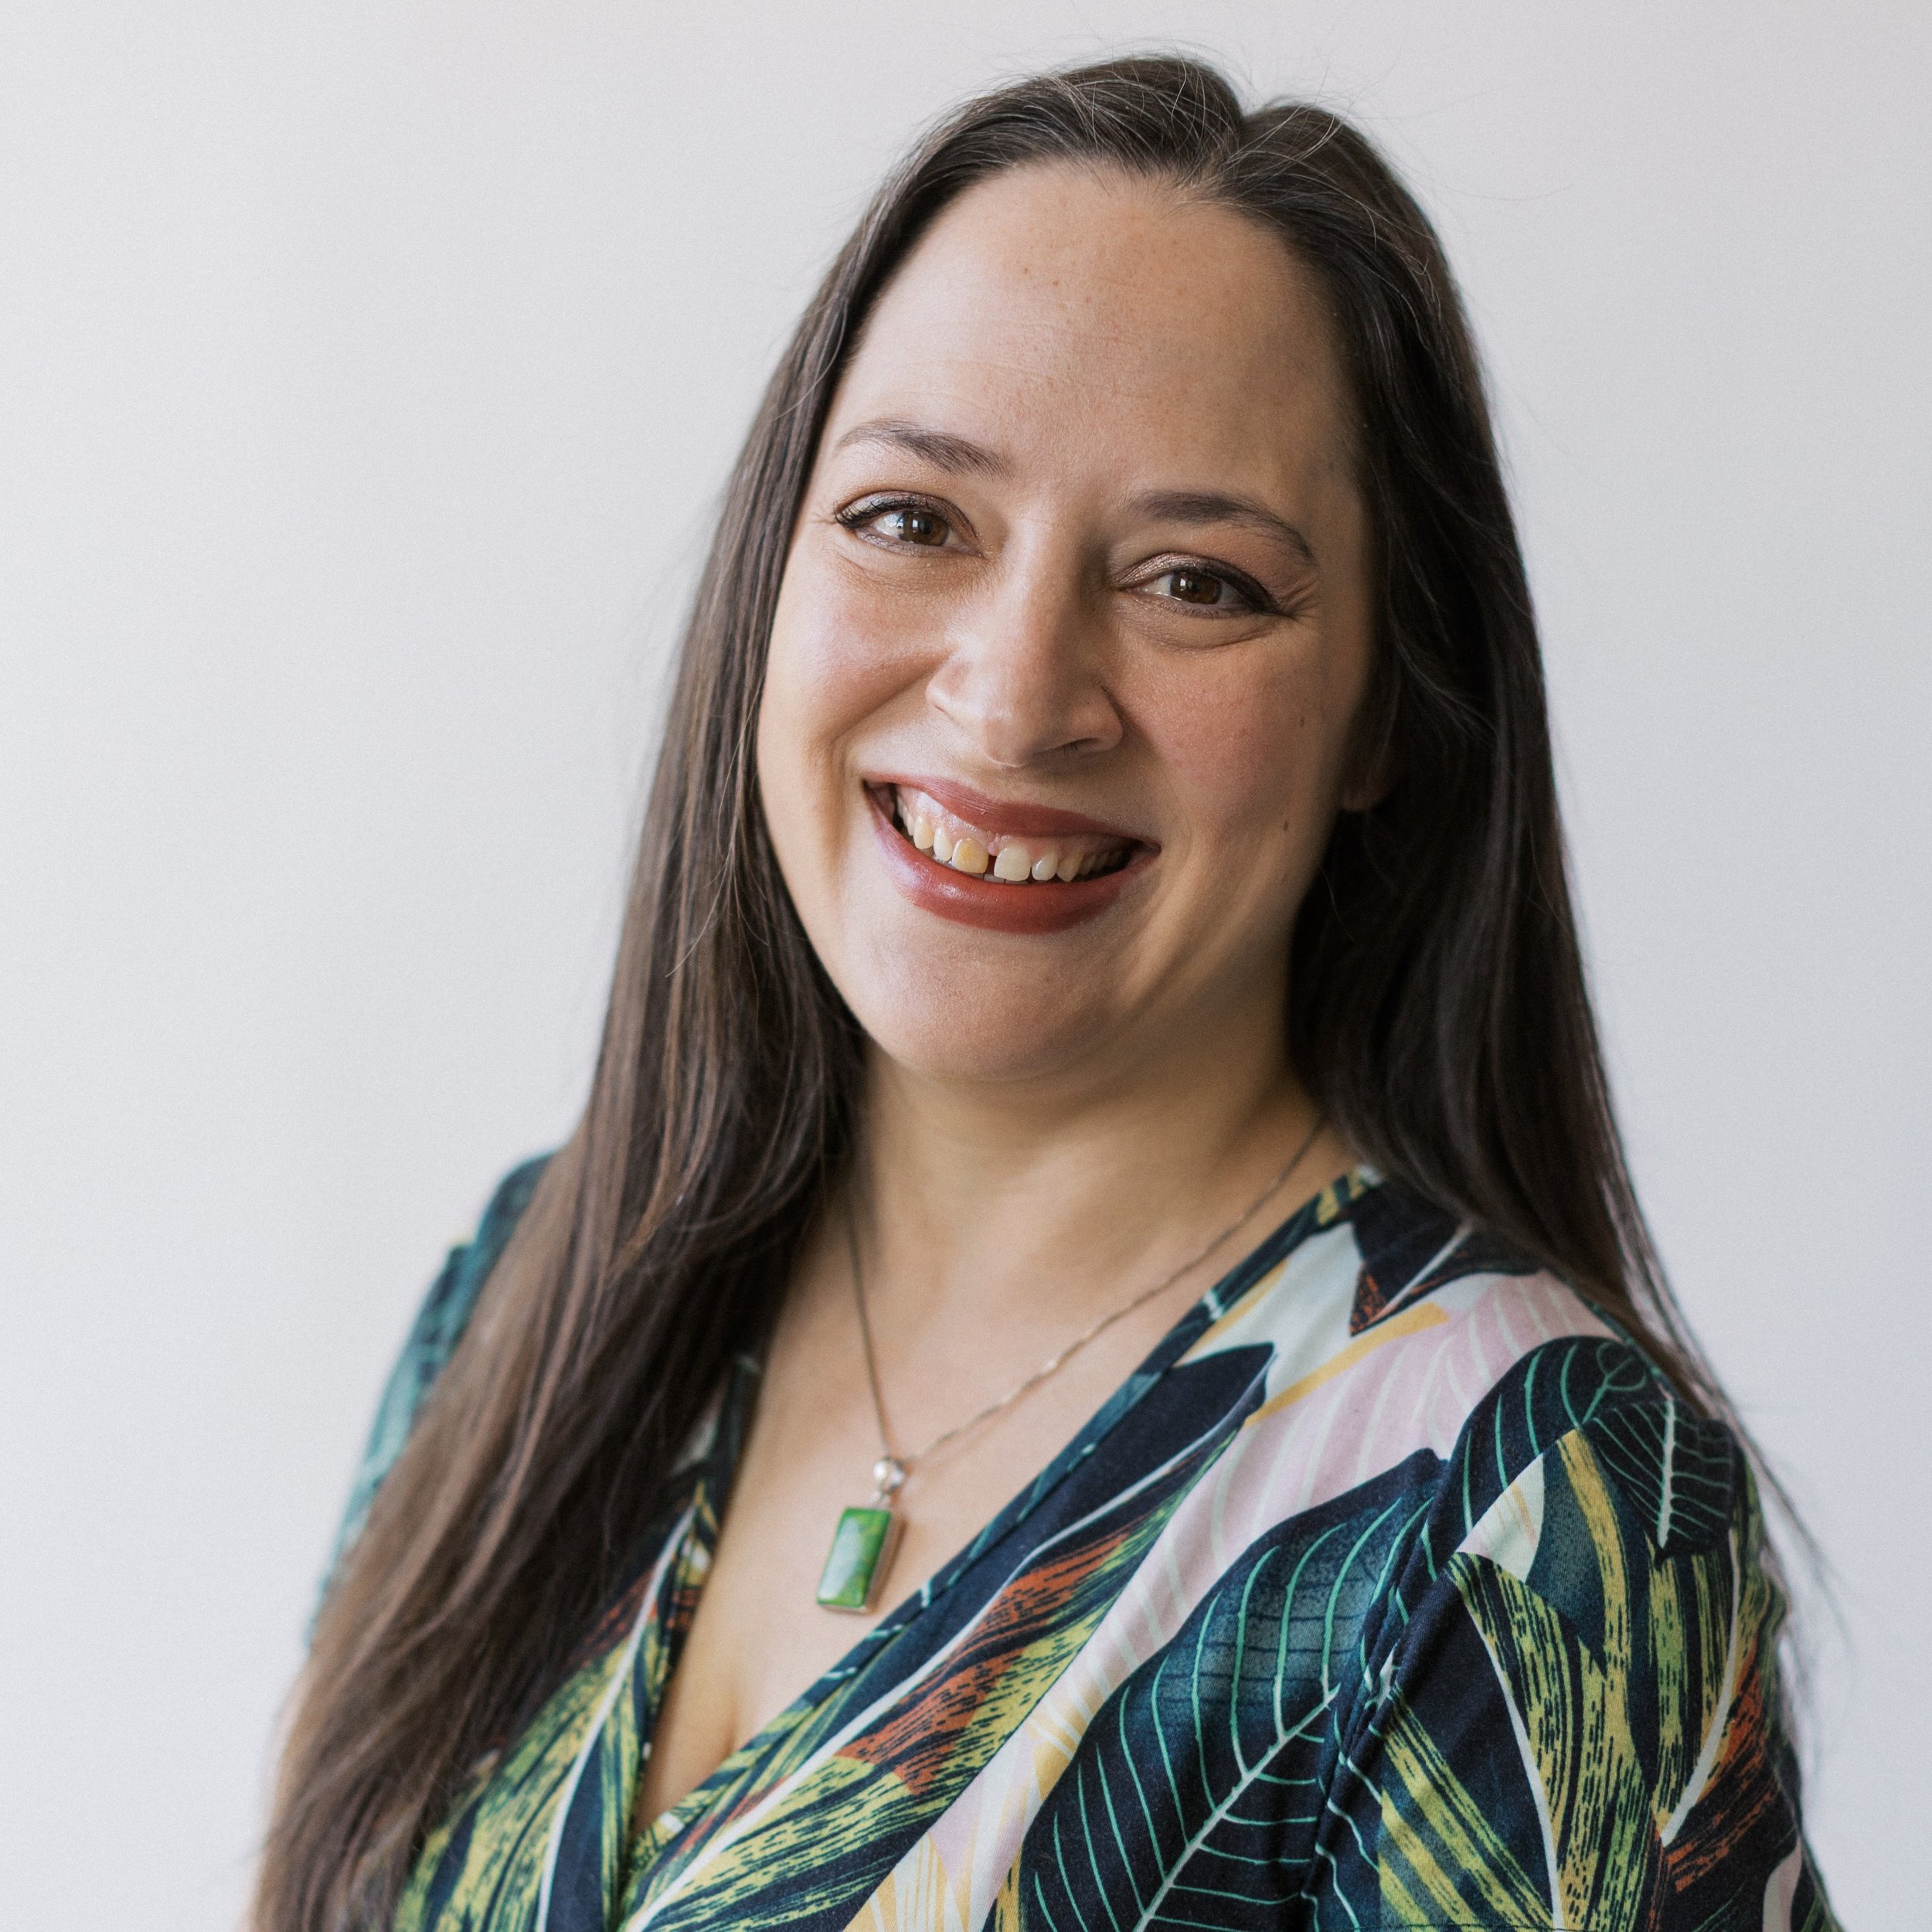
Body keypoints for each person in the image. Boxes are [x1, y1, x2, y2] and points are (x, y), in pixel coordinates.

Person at [255, 56, 1836, 1932]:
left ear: (1385, 719)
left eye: (1195, 579)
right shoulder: (528, 1291)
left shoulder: (1511, 1511)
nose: (1011, 697)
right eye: (912, 519)